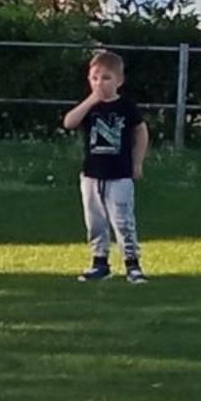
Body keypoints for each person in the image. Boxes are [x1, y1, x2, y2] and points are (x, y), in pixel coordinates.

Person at [62, 49, 149, 283]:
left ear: (119, 81)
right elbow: (69, 122)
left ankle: (132, 263)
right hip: (92, 174)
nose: (100, 83)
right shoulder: (90, 107)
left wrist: (137, 162)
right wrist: (91, 100)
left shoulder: (126, 107)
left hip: (119, 174)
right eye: (95, 78)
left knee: (122, 219)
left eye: (106, 78)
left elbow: (141, 132)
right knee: (95, 220)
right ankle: (99, 262)